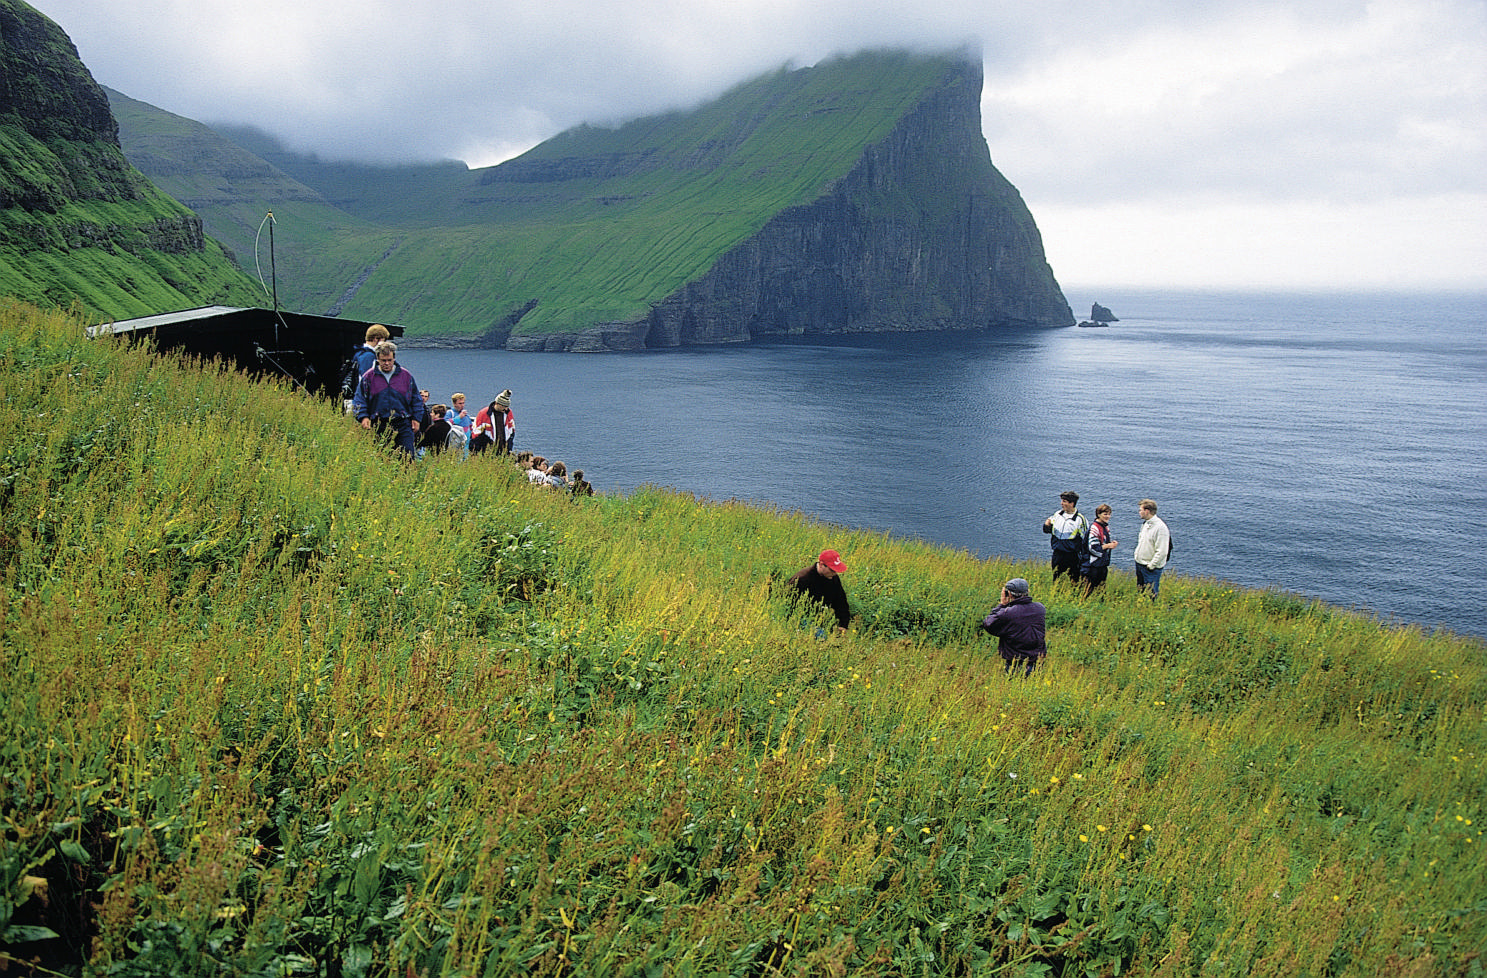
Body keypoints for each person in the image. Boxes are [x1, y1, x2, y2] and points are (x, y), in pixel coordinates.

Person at [352, 341, 426, 459]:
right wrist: (363, 417)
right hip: (378, 424)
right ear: (377, 359)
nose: (387, 363)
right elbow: (359, 400)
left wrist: (416, 419)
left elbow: (416, 399)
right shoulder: (369, 377)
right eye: (383, 360)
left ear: (394, 358)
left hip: (403, 423)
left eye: (389, 360)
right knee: (381, 459)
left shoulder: (405, 376)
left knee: (407, 458)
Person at [980, 578, 1047, 677]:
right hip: (1036, 660)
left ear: (1009, 594)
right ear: (1028, 591)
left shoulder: (1007, 613)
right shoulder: (1040, 608)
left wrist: (1002, 605)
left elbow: (988, 623)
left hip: (1015, 662)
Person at [787, 549, 851, 632]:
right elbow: (788, 607)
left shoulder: (833, 577)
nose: (835, 573)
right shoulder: (802, 579)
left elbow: (841, 601)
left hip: (820, 618)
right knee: (821, 636)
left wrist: (843, 625)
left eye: (836, 570)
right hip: (801, 619)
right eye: (832, 570)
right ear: (821, 565)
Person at [1042, 491, 1089, 584]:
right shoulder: (1058, 514)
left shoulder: (1080, 519)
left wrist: (1085, 557)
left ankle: (1075, 596)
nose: (1061, 503)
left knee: (1075, 580)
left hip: (1072, 555)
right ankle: (1056, 595)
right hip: (1057, 553)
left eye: (1064, 501)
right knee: (1056, 579)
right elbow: (1047, 530)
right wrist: (1046, 524)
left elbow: (1086, 539)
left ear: (1071, 503)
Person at [340, 323, 389, 406]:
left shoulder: (359, 353)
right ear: (376, 339)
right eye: (384, 340)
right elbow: (365, 379)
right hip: (361, 402)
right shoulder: (369, 356)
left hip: (353, 399)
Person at [1133, 498, 1171, 598]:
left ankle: (1150, 610)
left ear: (1147, 511)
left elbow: (1162, 551)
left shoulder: (1160, 527)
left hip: (1149, 567)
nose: (1139, 512)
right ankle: (1142, 610)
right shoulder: (1146, 524)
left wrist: (1151, 565)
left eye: (1140, 510)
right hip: (1140, 564)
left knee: (1151, 594)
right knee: (1141, 592)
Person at [1084, 504, 1118, 594]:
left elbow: (1103, 543)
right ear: (1098, 514)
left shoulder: (1105, 527)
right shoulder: (1095, 528)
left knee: (1101, 590)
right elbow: (1092, 548)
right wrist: (1108, 546)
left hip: (1102, 564)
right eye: (1105, 514)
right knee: (1090, 590)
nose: (1108, 517)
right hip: (1093, 565)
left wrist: (1110, 544)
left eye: (1109, 514)